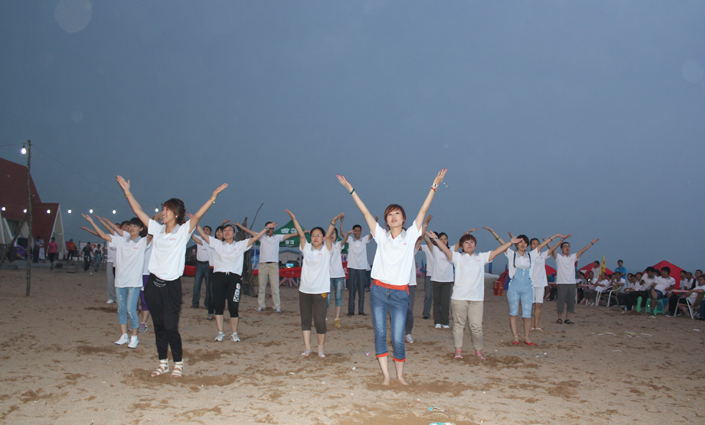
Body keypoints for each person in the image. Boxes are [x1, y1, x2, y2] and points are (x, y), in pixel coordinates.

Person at [337, 168, 447, 385]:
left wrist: (434, 185)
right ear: (386, 221)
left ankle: (400, 376)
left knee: (397, 337)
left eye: (397, 213)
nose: (393, 217)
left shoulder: (411, 235)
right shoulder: (381, 236)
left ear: (403, 218)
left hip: (400, 294)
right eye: (389, 214)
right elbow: (365, 212)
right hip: (378, 290)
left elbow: (424, 209)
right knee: (379, 334)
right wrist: (350, 189)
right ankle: (386, 376)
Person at [117, 174, 227, 378]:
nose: (163, 212)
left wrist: (212, 198)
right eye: (163, 209)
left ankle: (178, 363)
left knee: (170, 327)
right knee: (158, 326)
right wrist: (127, 192)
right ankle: (162, 363)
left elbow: (197, 217)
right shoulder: (156, 230)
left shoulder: (183, 231)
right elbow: (138, 211)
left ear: (176, 214)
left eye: (167, 209)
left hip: (171, 287)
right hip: (153, 285)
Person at [427, 228, 515, 359]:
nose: (469, 244)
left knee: (476, 327)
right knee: (459, 325)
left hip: (476, 298)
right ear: (462, 246)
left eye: (472, 242)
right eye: (466, 242)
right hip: (459, 298)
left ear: (475, 245)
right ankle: (458, 351)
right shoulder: (457, 257)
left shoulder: (481, 257)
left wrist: (510, 242)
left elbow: (497, 251)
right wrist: (435, 239)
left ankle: (478, 351)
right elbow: (445, 250)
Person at [82, 214, 152, 349]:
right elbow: (103, 235)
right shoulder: (121, 241)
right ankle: (124, 335)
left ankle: (134, 337)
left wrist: (153, 221)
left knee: (131, 310)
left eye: (135, 226)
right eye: (130, 226)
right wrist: (92, 222)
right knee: (121, 309)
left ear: (141, 228)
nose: (132, 228)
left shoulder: (143, 242)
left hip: (134, 283)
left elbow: (152, 233)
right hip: (120, 281)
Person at [196, 222, 268, 342]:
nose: (227, 232)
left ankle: (234, 333)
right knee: (219, 305)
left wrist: (266, 229)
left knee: (233, 306)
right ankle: (220, 332)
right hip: (219, 277)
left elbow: (255, 238)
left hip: (234, 278)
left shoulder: (240, 245)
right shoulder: (217, 244)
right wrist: (196, 223)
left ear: (234, 234)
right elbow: (204, 235)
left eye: (229, 230)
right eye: (224, 230)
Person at [485, 229, 560, 345]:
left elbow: (542, 246)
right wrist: (492, 231)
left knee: (527, 315)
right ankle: (516, 338)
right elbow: (501, 242)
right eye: (520, 242)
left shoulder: (531, 255)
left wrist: (553, 237)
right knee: (513, 313)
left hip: (527, 288)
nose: (523, 244)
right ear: (516, 244)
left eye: (525, 242)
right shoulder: (512, 254)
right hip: (514, 287)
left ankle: (526, 338)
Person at [287, 209, 338, 357]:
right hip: (305, 290)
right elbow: (301, 234)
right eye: (313, 235)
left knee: (320, 321)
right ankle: (307, 348)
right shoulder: (306, 249)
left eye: (318, 235)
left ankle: (320, 348)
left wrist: (333, 223)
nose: (315, 238)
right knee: (306, 320)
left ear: (323, 238)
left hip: (321, 291)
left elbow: (329, 234)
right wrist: (294, 219)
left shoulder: (327, 250)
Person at [240, 221, 298, 313]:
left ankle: (277, 307)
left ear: (273, 229)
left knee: (275, 288)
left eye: (271, 228)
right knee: (262, 287)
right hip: (263, 264)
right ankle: (261, 306)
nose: (269, 230)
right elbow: (249, 231)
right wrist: (239, 225)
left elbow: (290, 235)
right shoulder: (261, 237)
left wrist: (301, 233)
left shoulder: (277, 237)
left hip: (273, 265)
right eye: (267, 228)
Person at [424, 229, 475, 329]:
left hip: (447, 280)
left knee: (445, 302)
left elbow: (460, 242)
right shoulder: (434, 249)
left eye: (445, 239)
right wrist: (423, 229)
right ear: (438, 240)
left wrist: (467, 233)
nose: (443, 241)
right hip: (436, 279)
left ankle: (445, 321)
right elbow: (426, 240)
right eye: (441, 239)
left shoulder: (451, 249)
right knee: (437, 301)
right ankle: (437, 321)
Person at [551, 235, 599, 324]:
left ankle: (568, 318)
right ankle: (559, 318)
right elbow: (552, 250)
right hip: (562, 282)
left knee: (571, 301)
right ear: (561, 249)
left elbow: (582, 250)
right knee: (561, 301)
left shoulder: (573, 257)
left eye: (568, 246)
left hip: (571, 283)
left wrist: (591, 243)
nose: (567, 248)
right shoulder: (559, 257)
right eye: (565, 246)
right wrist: (548, 243)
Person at [405, 216, 432, 344]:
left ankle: (408, 333)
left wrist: (425, 224)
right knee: (396, 311)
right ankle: (397, 334)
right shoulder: (393, 248)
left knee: (409, 310)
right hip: (395, 284)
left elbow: (420, 237)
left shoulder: (411, 249)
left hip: (410, 284)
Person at [528, 236, 563, 331]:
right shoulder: (528, 255)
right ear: (530, 245)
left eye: (537, 244)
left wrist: (561, 240)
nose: (536, 245)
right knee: (530, 305)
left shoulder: (542, 255)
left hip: (540, 283)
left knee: (538, 305)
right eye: (534, 244)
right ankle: (529, 325)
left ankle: (536, 325)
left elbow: (552, 249)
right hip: (530, 283)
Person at [346, 222, 373, 316]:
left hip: (362, 268)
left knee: (361, 290)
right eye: (355, 231)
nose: (357, 232)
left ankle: (361, 311)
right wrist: (341, 223)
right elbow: (342, 234)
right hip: (352, 267)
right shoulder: (350, 239)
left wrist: (374, 222)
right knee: (352, 290)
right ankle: (351, 311)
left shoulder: (364, 240)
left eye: (358, 231)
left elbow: (372, 234)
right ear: (353, 232)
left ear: (361, 231)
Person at [329, 214, 350, 328]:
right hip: (327, 276)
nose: (332, 235)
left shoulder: (338, 245)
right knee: (326, 299)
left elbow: (345, 238)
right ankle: (325, 318)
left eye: (334, 233)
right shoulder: (325, 245)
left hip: (339, 276)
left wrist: (342, 223)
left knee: (338, 298)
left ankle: (337, 319)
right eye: (331, 233)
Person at [191, 225, 213, 309]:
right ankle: (195, 303)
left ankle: (207, 303)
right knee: (196, 285)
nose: (204, 231)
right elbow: (191, 235)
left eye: (207, 230)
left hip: (208, 264)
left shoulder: (211, 240)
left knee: (208, 286)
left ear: (210, 232)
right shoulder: (199, 238)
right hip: (199, 264)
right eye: (203, 230)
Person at [419, 239, 435, 320]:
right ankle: (426, 313)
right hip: (429, 274)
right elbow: (418, 247)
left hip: (440, 276)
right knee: (428, 295)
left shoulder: (443, 248)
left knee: (439, 297)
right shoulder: (427, 247)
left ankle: (439, 314)